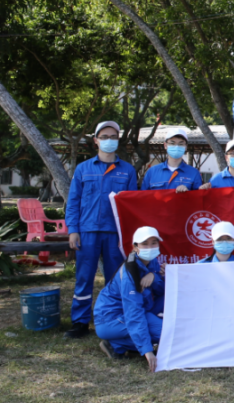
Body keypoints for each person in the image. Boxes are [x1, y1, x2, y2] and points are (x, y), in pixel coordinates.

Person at [65, 121, 139, 339]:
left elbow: (132, 206)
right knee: (84, 278)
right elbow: (73, 201)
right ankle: (80, 322)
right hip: (87, 232)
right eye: (104, 137)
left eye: (113, 137)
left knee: (115, 279)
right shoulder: (83, 169)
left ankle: (112, 319)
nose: (109, 140)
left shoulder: (127, 170)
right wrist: (73, 230)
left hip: (115, 234)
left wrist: (129, 237)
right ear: (95, 140)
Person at [94, 226, 165, 371]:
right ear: (135, 247)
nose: (150, 247)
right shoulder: (129, 274)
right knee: (164, 333)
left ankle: (121, 342)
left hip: (139, 309)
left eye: (154, 243)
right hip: (110, 320)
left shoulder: (152, 262)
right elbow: (134, 313)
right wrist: (148, 351)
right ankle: (115, 344)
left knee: (167, 322)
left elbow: (162, 291)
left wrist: (155, 276)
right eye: (145, 244)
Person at [141, 127, 206, 191]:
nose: (176, 146)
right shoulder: (152, 172)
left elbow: (198, 196)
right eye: (172, 143)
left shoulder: (194, 173)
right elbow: (143, 196)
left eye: (181, 144)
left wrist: (187, 193)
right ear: (165, 145)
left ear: (186, 147)